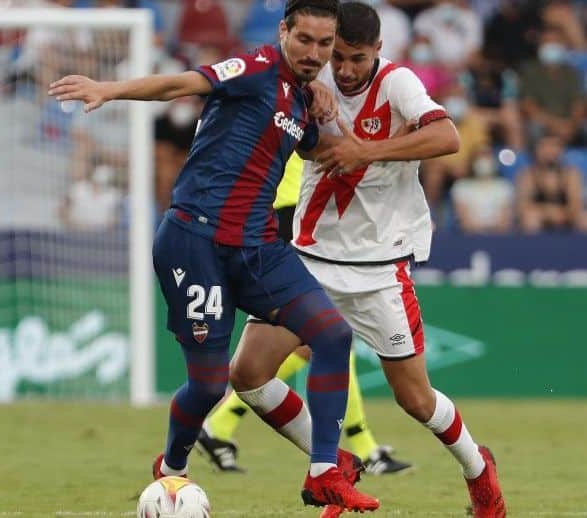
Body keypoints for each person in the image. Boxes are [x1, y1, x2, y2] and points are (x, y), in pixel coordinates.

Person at [49, 0, 381, 512]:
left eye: (325, 44)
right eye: (305, 40)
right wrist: (108, 89)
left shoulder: (300, 100)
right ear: (283, 31)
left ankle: (324, 472)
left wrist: (337, 119)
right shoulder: (253, 70)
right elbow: (181, 83)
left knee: (333, 335)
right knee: (206, 386)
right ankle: (172, 471)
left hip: (257, 246)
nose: (315, 53)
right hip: (195, 241)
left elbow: (325, 151)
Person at [223, 3, 505, 517]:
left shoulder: (398, 85)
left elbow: (448, 137)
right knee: (248, 374)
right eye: (338, 57)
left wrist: (365, 151)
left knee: (416, 401)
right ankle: (333, 465)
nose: (345, 69)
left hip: (380, 269)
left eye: (356, 58)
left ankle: (478, 470)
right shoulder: (312, 79)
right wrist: (313, 92)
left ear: (378, 50)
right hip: (309, 261)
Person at [198, 151, 413, 476]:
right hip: (297, 216)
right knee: (329, 335)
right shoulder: (302, 104)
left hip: (291, 213)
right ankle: (365, 449)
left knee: (318, 340)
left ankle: (219, 427)